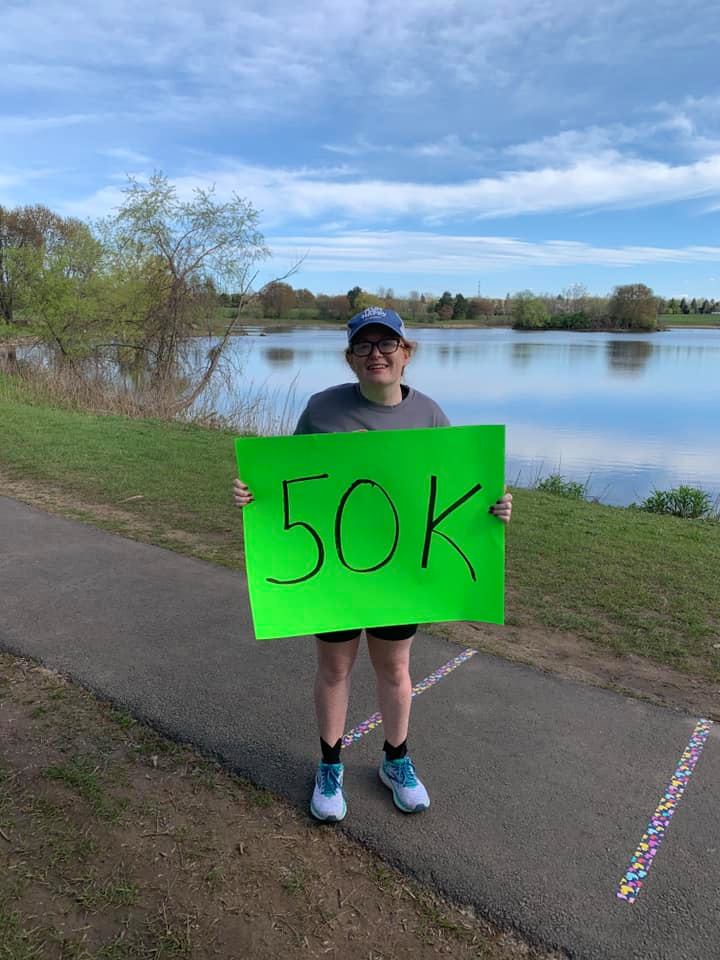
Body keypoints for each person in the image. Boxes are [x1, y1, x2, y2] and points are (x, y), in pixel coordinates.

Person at [233, 306, 512, 822]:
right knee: (335, 668)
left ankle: (395, 760)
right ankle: (331, 765)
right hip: (334, 573)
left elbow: (455, 489)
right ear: (350, 357)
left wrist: (493, 510)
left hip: (398, 575)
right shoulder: (322, 410)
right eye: (364, 345)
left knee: (396, 667)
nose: (376, 354)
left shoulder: (428, 415)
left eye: (387, 345)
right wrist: (255, 496)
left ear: (406, 354)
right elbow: (290, 483)